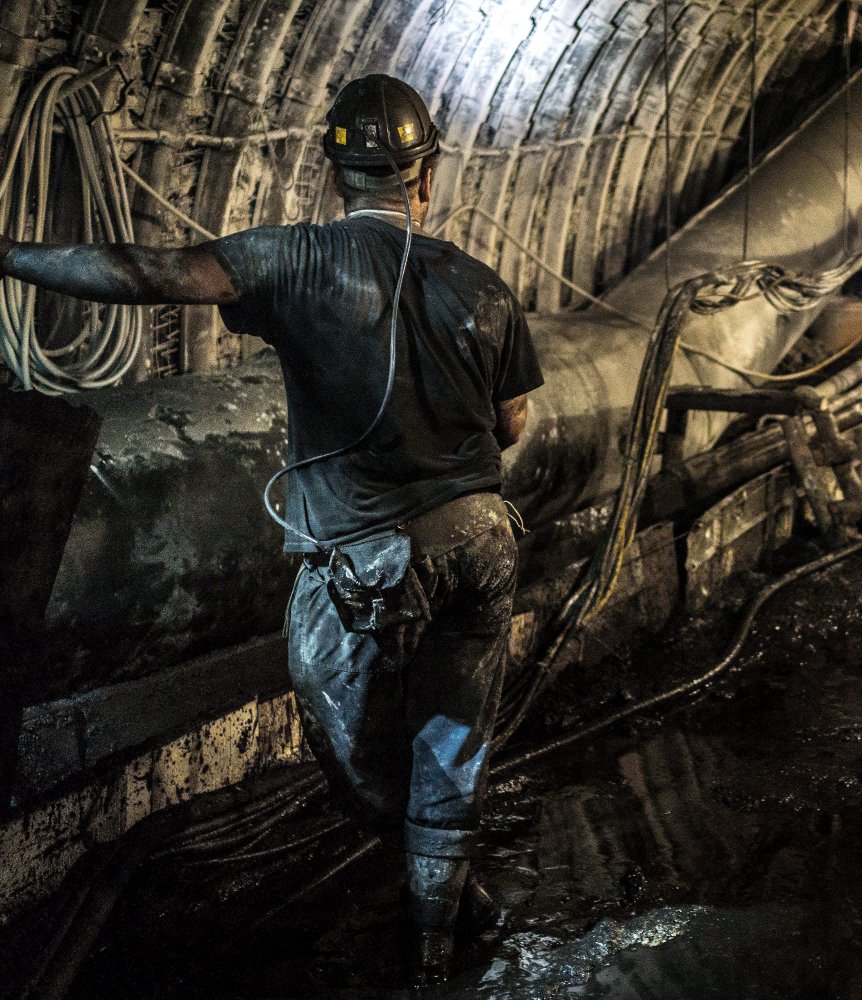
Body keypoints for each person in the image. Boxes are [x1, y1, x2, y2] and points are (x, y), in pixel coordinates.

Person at [0, 74, 544, 985]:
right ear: (427, 176)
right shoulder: (482, 287)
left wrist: (10, 254)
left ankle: (441, 921)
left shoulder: (294, 259)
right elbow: (513, 421)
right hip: (485, 541)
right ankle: (441, 940)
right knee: (453, 741)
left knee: (351, 750)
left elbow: (149, 274)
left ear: (335, 175)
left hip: (371, 558)